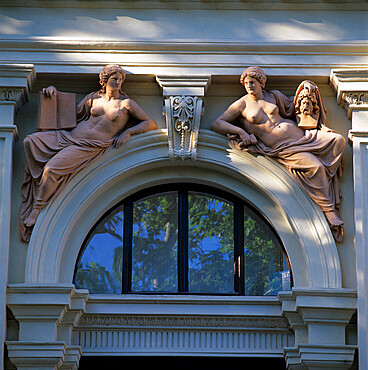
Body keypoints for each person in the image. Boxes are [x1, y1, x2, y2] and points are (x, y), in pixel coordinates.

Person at [20, 64, 157, 242]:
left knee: (51, 169)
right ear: (105, 80)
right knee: (30, 141)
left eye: (121, 80)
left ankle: (36, 208)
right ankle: (36, 183)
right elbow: (71, 114)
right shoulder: (93, 98)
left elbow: (150, 123)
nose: (118, 82)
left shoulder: (126, 104)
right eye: (114, 79)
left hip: (87, 146)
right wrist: (52, 92)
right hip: (69, 137)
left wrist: (127, 132)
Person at [211, 66, 345, 242]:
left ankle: (327, 182)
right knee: (316, 167)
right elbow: (217, 123)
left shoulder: (273, 96)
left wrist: (305, 88)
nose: (249, 86)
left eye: (252, 82)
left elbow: (292, 107)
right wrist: (242, 132)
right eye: (246, 83)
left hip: (302, 137)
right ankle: (329, 211)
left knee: (338, 141)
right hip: (283, 148)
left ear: (261, 82)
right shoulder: (242, 104)